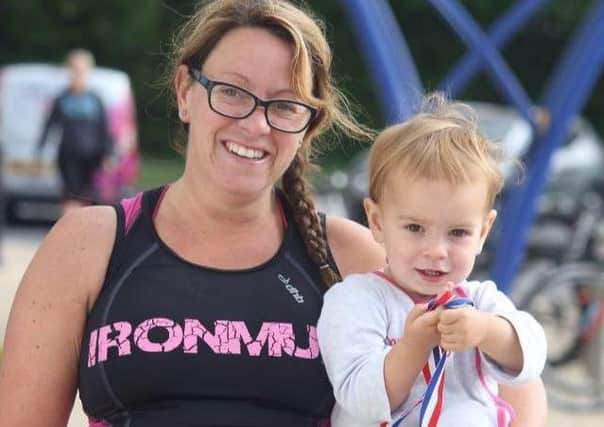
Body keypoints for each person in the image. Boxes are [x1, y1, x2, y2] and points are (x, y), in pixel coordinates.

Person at [0, 1, 546, 426]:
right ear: (186, 91)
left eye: (284, 105)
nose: (256, 124)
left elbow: (510, 389)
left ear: (308, 124)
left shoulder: (356, 256)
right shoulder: (91, 245)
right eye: (233, 93)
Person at [317, 94, 547, 427]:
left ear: (483, 232)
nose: (436, 250)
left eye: (458, 233)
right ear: (377, 222)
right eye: (414, 228)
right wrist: (413, 346)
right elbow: (360, 399)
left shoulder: (479, 301)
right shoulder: (356, 300)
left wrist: (487, 331)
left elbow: (533, 353)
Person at [37, 48, 113, 213]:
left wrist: (108, 154)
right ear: (68, 71)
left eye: (82, 71)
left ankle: (85, 230)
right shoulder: (62, 99)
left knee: (90, 197)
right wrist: (40, 153)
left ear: (89, 72)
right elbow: (49, 126)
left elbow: (105, 129)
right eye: (74, 70)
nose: (78, 75)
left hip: (92, 157)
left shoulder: (95, 100)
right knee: (70, 196)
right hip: (68, 156)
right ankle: (69, 227)